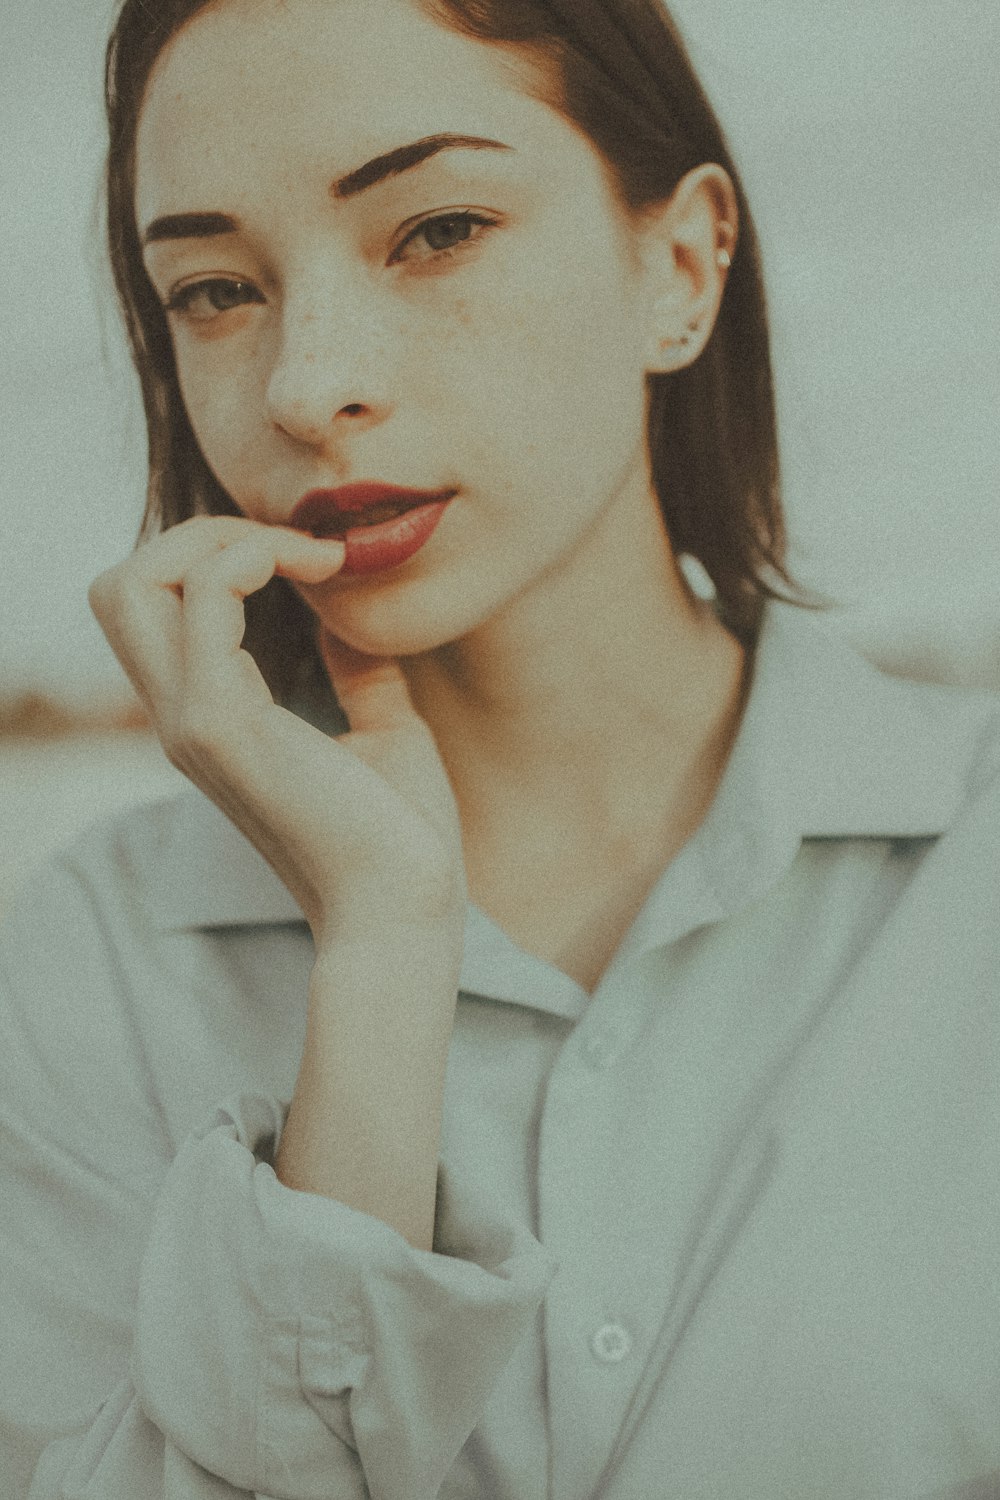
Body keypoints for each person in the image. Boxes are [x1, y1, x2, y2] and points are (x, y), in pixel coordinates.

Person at [1, 0, 998, 1495]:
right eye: (213, 290)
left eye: (436, 229)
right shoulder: (84, 970)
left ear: (678, 266)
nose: (302, 385)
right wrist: (386, 956)